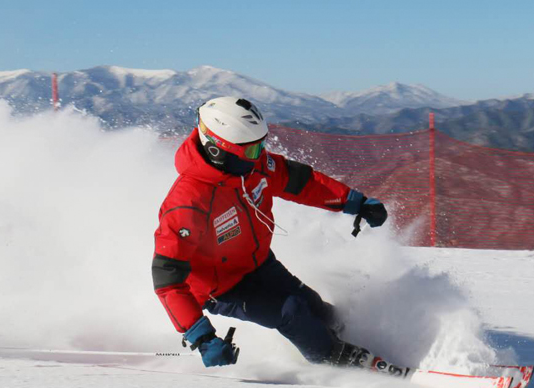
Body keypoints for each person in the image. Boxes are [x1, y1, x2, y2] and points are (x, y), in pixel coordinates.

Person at [152, 96, 388, 368]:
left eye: (261, 144)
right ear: (218, 150)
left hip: (259, 264)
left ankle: (349, 339)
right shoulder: (189, 202)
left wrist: (354, 202)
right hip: (223, 289)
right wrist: (202, 337)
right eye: (252, 150)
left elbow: (301, 182)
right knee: (292, 313)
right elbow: (167, 279)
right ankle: (336, 362)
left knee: (313, 306)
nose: (261, 154)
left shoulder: (252, 166)